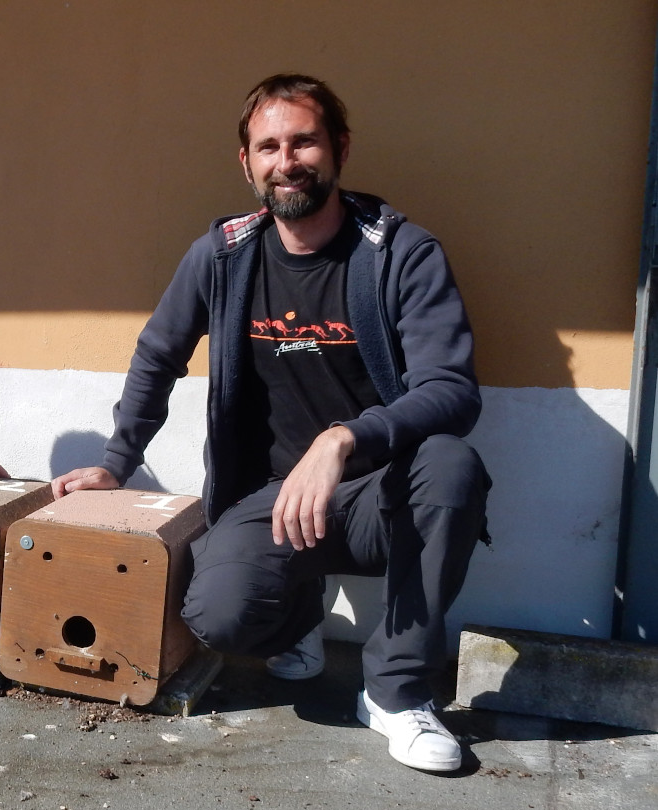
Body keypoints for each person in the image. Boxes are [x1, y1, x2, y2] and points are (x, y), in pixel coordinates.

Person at [52, 73, 491, 773]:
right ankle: (298, 619)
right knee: (218, 618)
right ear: (247, 163)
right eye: (268, 146)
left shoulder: (399, 251)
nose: (286, 161)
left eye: (304, 141)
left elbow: (452, 390)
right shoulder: (224, 256)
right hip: (268, 499)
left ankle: (396, 693)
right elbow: (158, 355)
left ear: (338, 147)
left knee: (452, 466)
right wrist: (116, 460)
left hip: (379, 496)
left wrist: (344, 439)